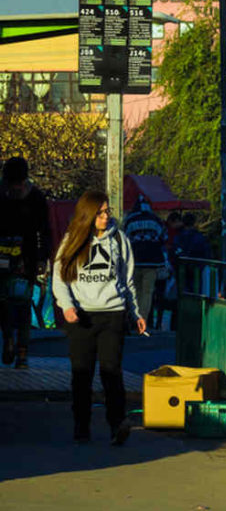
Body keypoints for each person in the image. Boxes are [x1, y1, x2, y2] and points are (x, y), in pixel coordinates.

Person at [51, 190, 145, 445]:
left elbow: (128, 280)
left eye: (107, 212)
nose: (106, 217)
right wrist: (68, 307)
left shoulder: (120, 240)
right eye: (100, 212)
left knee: (111, 371)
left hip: (112, 314)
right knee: (82, 374)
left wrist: (135, 312)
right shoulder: (72, 240)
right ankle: (81, 426)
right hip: (82, 316)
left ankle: (117, 424)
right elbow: (59, 280)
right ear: (88, 214)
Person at [0, 156, 52, 369]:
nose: (16, 189)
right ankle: (9, 339)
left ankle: (22, 352)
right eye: (13, 185)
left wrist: (42, 258)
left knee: (23, 305)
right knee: (3, 303)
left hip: (27, 260)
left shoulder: (37, 198)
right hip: (2, 259)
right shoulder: (1, 195)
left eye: (19, 184)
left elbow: (45, 231)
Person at [121, 195, 168, 331]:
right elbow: (163, 237)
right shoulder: (156, 220)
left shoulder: (129, 220)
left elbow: (124, 238)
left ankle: (131, 318)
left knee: (133, 290)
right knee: (147, 293)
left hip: (133, 261)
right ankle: (142, 320)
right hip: (152, 262)